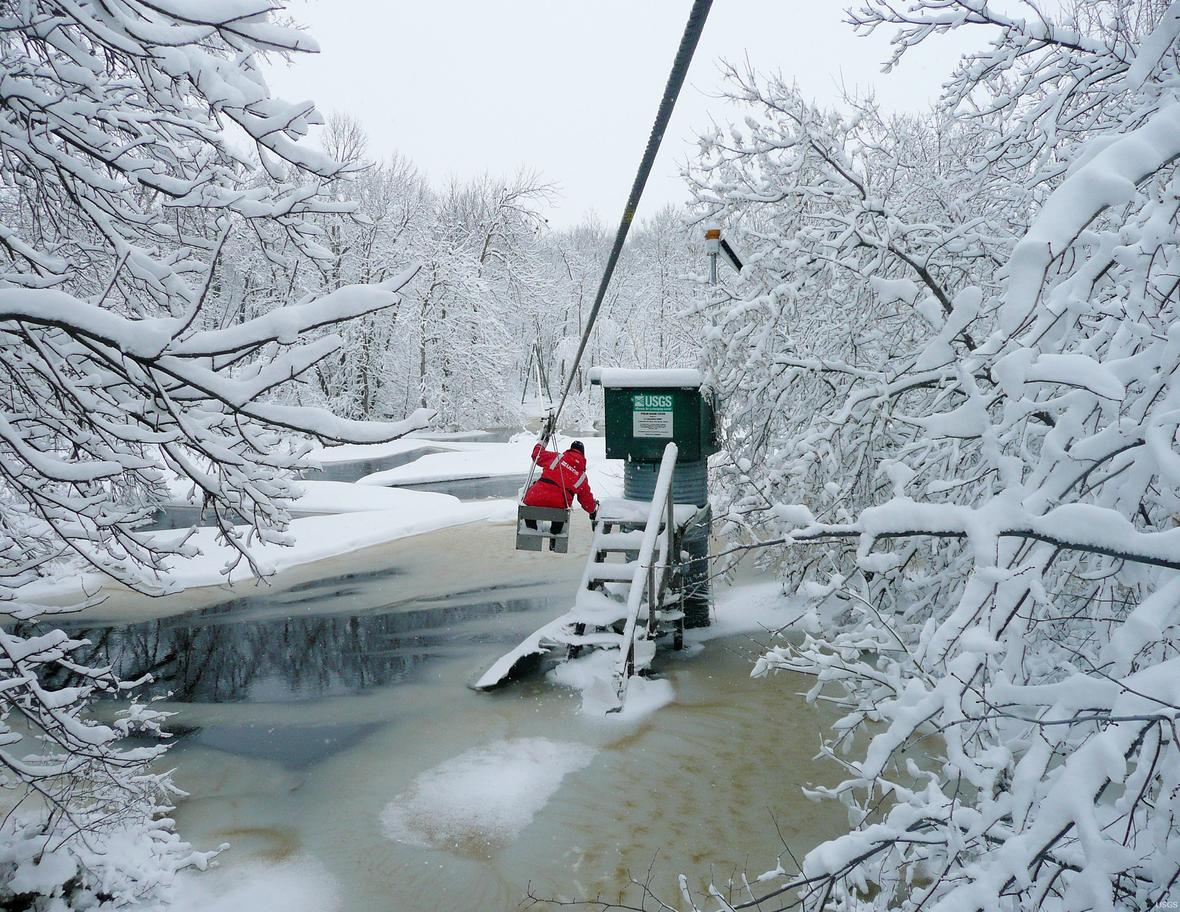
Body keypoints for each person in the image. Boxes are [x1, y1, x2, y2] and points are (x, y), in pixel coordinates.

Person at [522, 440, 598, 548]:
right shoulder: (581, 476)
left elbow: (536, 455)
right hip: (559, 504)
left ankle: (531, 532)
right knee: (560, 512)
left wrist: (541, 442)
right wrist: (592, 511)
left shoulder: (556, 458)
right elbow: (586, 500)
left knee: (531, 509)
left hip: (535, 496)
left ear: (570, 449)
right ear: (583, 455)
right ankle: (555, 538)